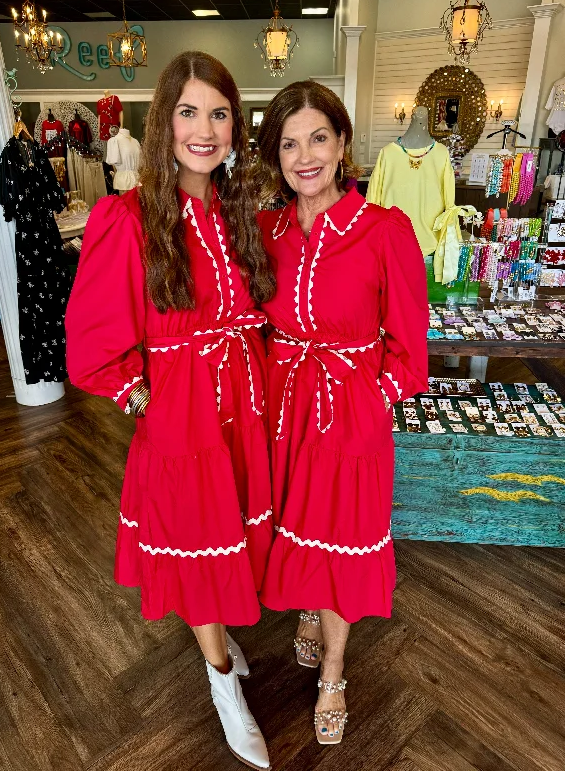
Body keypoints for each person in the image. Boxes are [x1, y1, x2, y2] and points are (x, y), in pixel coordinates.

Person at [65, 51, 276, 771]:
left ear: (235, 127)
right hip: (184, 416)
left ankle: (223, 642)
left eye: (219, 113)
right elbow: (93, 336)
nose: (205, 128)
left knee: (232, 539)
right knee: (194, 546)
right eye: (189, 111)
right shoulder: (127, 217)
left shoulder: (240, 212)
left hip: (241, 407)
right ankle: (222, 686)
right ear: (164, 122)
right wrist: (144, 392)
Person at [255, 81, 428, 745]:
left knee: (342, 539)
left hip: (348, 412)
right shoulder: (268, 229)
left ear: (343, 142)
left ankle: (333, 668)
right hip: (283, 408)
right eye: (289, 143)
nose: (305, 157)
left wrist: (368, 404)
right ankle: (305, 608)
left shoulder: (385, 230)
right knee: (295, 525)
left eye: (317, 138)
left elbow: (410, 352)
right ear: (275, 154)